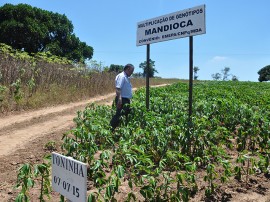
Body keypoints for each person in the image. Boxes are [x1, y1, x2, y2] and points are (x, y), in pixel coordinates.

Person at [110, 64, 134, 130]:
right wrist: (119, 99)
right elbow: (118, 88)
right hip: (122, 99)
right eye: (132, 70)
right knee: (119, 115)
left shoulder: (126, 77)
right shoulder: (122, 76)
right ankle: (111, 129)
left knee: (125, 115)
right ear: (128, 69)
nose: (132, 72)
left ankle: (121, 130)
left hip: (125, 99)